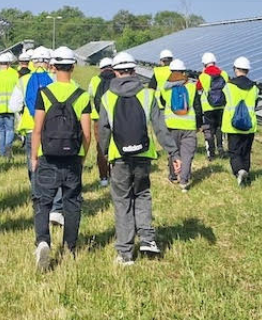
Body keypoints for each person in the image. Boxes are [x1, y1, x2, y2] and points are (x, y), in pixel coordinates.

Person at [29, 46, 93, 272]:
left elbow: (37, 129)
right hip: (72, 158)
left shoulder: (44, 93)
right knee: (72, 202)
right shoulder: (83, 95)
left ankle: (43, 241)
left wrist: (34, 156)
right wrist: (81, 157)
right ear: (73, 67)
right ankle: (70, 247)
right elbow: (87, 134)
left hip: (48, 157)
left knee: (42, 201)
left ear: (53, 67)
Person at [100, 52, 164, 265]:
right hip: (143, 155)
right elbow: (159, 126)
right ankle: (147, 239)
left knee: (122, 202)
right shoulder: (147, 95)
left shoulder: (107, 97)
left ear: (115, 72)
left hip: (119, 157)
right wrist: (173, 152)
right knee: (143, 194)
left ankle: (126, 253)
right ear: (134, 71)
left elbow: (104, 130)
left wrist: (105, 153)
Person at [156, 60, 199, 191]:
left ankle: (173, 175)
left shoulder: (165, 87)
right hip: (189, 125)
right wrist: (200, 124)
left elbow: (161, 103)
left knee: (173, 151)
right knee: (187, 154)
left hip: (171, 124)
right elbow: (197, 106)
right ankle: (184, 181)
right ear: (184, 72)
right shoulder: (192, 87)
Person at [221, 57, 262, 185]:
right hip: (249, 125)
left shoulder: (228, 87)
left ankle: (239, 170)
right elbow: (255, 104)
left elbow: (223, 101)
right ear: (248, 70)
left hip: (232, 126)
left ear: (235, 69)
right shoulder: (254, 88)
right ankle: (246, 173)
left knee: (234, 151)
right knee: (246, 151)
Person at [88, 55, 115, 188]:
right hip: (116, 118)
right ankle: (115, 174)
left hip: (98, 118)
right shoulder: (117, 78)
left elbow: (90, 96)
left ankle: (103, 177)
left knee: (101, 147)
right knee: (116, 145)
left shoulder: (94, 80)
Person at [195, 52, 228, 160]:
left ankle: (211, 153)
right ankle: (221, 148)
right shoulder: (224, 74)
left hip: (208, 107)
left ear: (204, 64)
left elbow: (198, 87)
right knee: (219, 128)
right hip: (221, 106)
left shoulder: (203, 76)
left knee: (208, 129)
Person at [0, 51, 20, 157]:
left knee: (0, 131)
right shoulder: (15, 74)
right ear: (9, 63)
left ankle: (2, 152)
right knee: (10, 130)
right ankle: (7, 150)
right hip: (10, 108)